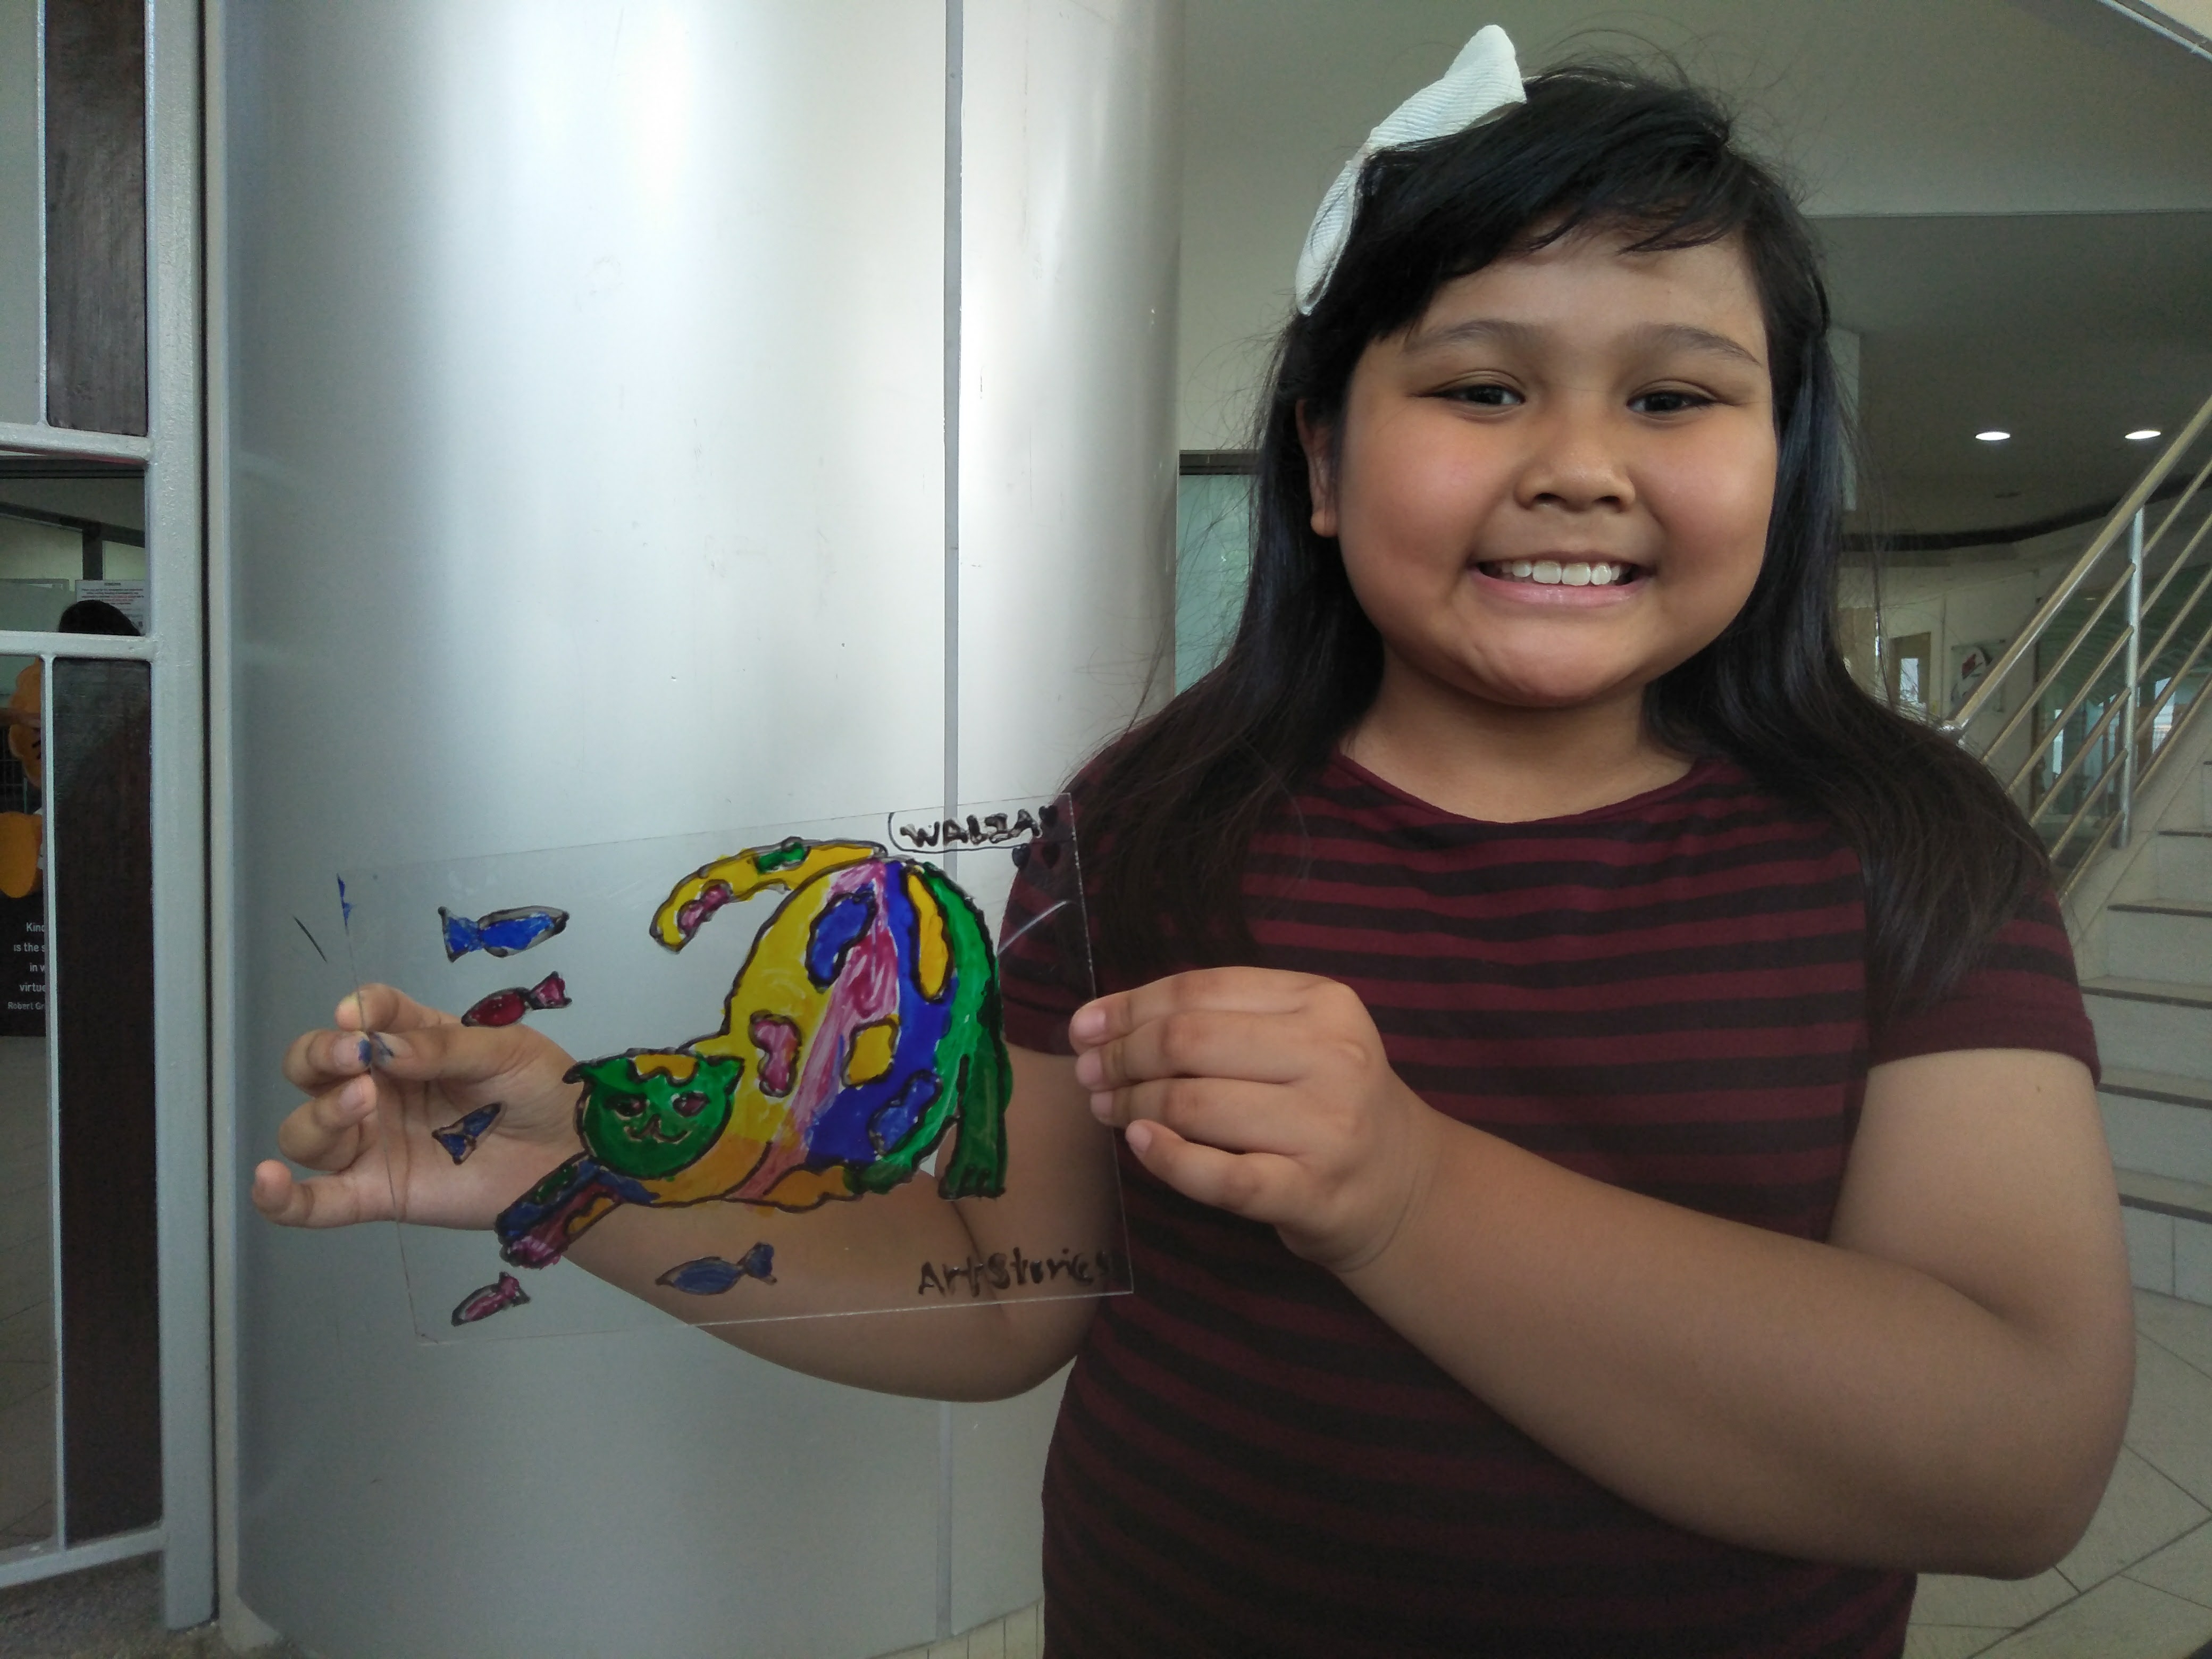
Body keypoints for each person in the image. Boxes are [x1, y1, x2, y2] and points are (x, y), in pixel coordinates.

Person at [256, 31, 2131, 1658]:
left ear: (1783, 454)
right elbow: (998, 1273)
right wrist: (571, 1160)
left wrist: (1404, 1190)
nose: (1578, 461)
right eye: (1481, 386)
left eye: (1676, 394)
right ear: (1319, 459)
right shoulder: (1152, 821)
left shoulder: (1912, 854)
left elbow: (2018, 1456)